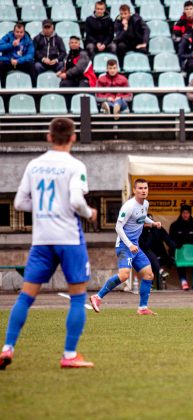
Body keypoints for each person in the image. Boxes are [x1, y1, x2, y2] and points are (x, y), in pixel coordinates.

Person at [0, 118, 97, 370]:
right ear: (73, 137)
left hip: (42, 240)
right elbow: (76, 201)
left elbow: (20, 203)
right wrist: (90, 213)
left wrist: (45, 209)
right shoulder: (75, 165)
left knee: (25, 297)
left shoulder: (34, 165)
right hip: (68, 239)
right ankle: (69, 354)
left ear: (49, 136)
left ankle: (7, 348)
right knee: (77, 298)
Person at [90, 179, 161, 315]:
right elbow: (118, 227)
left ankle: (142, 308)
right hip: (124, 245)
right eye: (140, 188)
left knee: (148, 275)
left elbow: (142, 217)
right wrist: (129, 244)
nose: (143, 190)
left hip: (135, 246)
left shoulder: (145, 204)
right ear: (134, 190)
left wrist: (153, 223)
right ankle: (97, 297)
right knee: (124, 276)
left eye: (145, 188)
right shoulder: (128, 206)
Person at [139, 213, 177, 289]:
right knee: (149, 257)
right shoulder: (140, 231)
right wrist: (149, 231)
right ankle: (156, 276)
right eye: (147, 222)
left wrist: (174, 249)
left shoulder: (158, 229)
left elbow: (168, 240)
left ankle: (153, 282)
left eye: (151, 222)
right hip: (146, 256)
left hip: (160, 255)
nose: (150, 224)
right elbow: (146, 246)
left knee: (154, 260)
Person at [168, 204, 193, 290]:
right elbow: (170, 240)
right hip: (180, 253)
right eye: (184, 213)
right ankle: (183, 281)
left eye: (187, 213)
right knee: (179, 258)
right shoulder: (174, 225)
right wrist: (177, 245)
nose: (185, 214)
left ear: (190, 214)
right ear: (181, 213)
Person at [0, 23, 36, 87]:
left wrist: (18, 60)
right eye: (17, 32)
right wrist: (11, 45)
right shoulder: (8, 37)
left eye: (21, 32)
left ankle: (34, 88)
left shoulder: (28, 40)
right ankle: (3, 89)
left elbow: (30, 55)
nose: (19, 34)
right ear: (14, 31)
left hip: (21, 62)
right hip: (9, 61)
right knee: (1, 64)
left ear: (24, 32)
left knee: (31, 64)